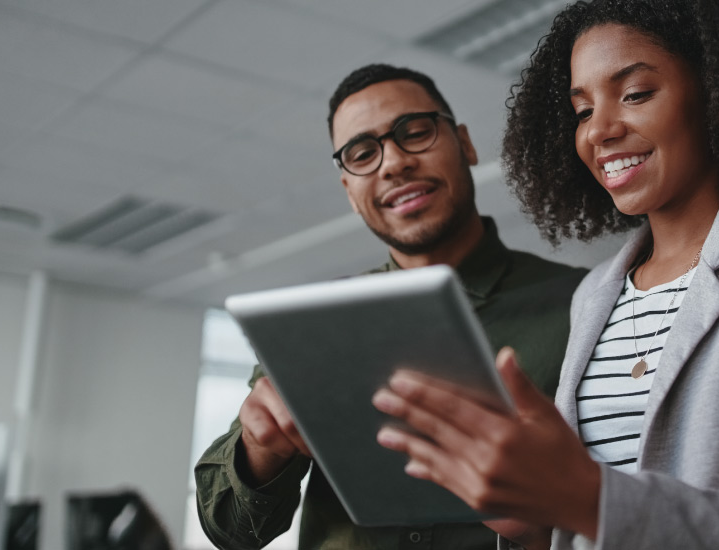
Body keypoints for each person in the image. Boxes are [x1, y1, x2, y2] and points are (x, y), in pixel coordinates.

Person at [368, 1, 719, 549]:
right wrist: (530, 517)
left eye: (636, 94)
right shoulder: (596, 293)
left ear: (717, 91)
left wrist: (584, 497)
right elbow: (588, 522)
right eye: (581, 111)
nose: (599, 131)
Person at [194, 64, 587, 550]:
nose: (393, 162)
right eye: (362, 153)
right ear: (349, 193)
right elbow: (228, 529)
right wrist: (258, 449)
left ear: (464, 143)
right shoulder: (316, 326)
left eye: (415, 132)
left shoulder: (586, 304)